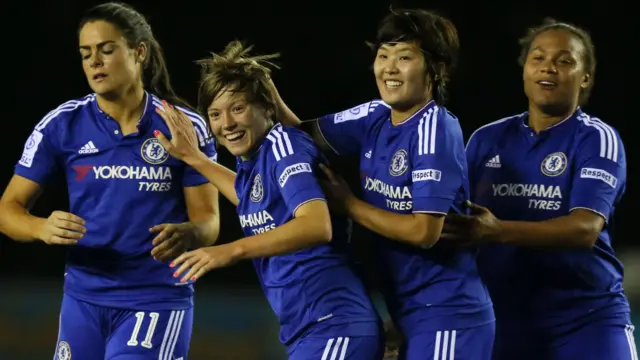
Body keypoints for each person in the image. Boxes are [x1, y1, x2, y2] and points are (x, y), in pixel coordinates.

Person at [271, 8, 495, 360]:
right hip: (407, 311)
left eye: (404, 57)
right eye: (383, 55)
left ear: (435, 69)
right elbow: (303, 135)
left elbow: (425, 232)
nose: (389, 68)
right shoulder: (375, 115)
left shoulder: (434, 129)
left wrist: (348, 206)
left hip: (448, 315)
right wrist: (264, 93)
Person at [0, 3, 219, 359]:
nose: (94, 62)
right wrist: (40, 228)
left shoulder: (183, 127)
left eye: (106, 50)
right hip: (83, 299)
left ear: (139, 52)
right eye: (86, 54)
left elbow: (209, 221)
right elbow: (7, 210)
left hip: (157, 298)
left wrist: (190, 233)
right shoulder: (62, 125)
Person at [154, 41, 384, 359]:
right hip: (310, 332)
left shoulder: (284, 146)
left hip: (335, 327)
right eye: (215, 114)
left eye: (238, 108)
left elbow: (317, 225)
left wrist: (231, 250)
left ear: (267, 108)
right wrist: (194, 158)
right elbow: (250, 197)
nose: (227, 124)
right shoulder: (255, 160)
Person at [442, 18, 636, 360]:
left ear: (585, 77)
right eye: (538, 57)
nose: (548, 67)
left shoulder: (596, 138)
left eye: (564, 60)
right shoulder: (487, 139)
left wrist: (498, 231)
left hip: (586, 318)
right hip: (503, 320)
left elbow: (584, 229)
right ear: (524, 70)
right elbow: (455, 226)